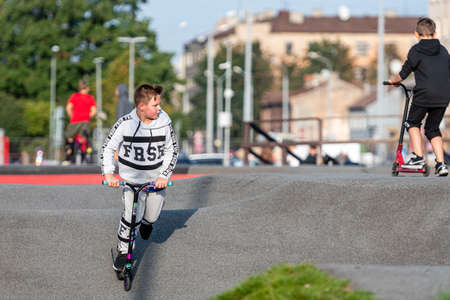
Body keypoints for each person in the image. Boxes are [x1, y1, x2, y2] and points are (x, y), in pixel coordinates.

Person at [101, 84, 179, 271]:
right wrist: (109, 173)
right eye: (155, 105)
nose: (159, 108)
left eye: (159, 104)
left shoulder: (164, 123)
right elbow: (108, 147)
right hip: (131, 180)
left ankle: (147, 222)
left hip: (154, 181)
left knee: (151, 216)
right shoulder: (125, 123)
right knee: (130, 217)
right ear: (142, 105)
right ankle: (123, 251)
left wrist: (164, 175)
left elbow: (172, 149)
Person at [389, 17, 450, 176]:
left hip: (424, 94)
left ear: (416, 34)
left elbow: (403, 73)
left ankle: (417, 157)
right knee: (432, 128)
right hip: (444, 95)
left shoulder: (416, 50)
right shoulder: (443, 50)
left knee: (412, 123)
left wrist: (393, 82)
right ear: (435, 33)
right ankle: (441, 164)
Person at [63, 80, 97, 164]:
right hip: (85, 121)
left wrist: (72, 116)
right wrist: (87, 116)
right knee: (83, 140)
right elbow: (94, 111)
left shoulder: (74, 96)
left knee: (69, 138)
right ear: (87, 88)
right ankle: (84, 159)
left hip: (75, 121)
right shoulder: (90, 98)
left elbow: (68, 108)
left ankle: (68, 158)